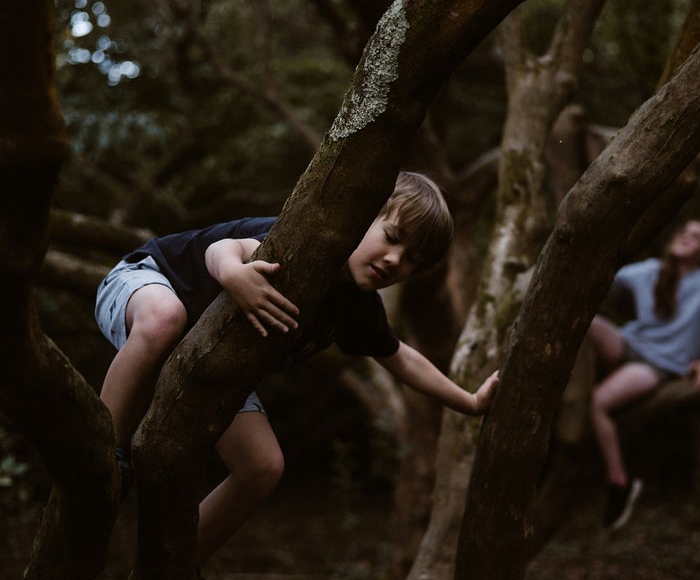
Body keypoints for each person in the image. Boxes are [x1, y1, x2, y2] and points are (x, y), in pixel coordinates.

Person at [95, 171, 499, 566]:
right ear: (362, 216)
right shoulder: (305, 241)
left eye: (412, 259)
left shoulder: (357, 307)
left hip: (210, 363)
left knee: (262, 466)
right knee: (166, 317)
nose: (395, 260)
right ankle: (104, 453)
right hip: (144, 283)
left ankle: (173, 565)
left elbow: (402, 358)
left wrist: (470, 401)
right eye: (392, 238)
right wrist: (235, 276)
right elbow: (223, 250)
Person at [587, 219, 700, 531]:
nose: (686, 237)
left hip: (658, 365)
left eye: (695, 236)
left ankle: (619, 481)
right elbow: (604, 277)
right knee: (586, 323)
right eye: (683, 232)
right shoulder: (650, 269)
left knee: (597, 403)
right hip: (628, 344)